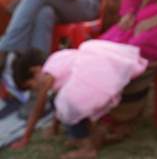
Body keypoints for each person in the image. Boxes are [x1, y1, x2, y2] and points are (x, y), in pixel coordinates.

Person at [9, 42, 147, 158]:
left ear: (35, 70)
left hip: (93, 85)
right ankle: (92, 135)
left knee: (66, 105)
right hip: (99, 78)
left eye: (31, 86)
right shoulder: (56, 57)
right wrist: (54, 128)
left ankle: (87, 149)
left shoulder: (47, 75)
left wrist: (26, 137)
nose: (35, 90)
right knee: (59, 101)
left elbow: (38, 109)